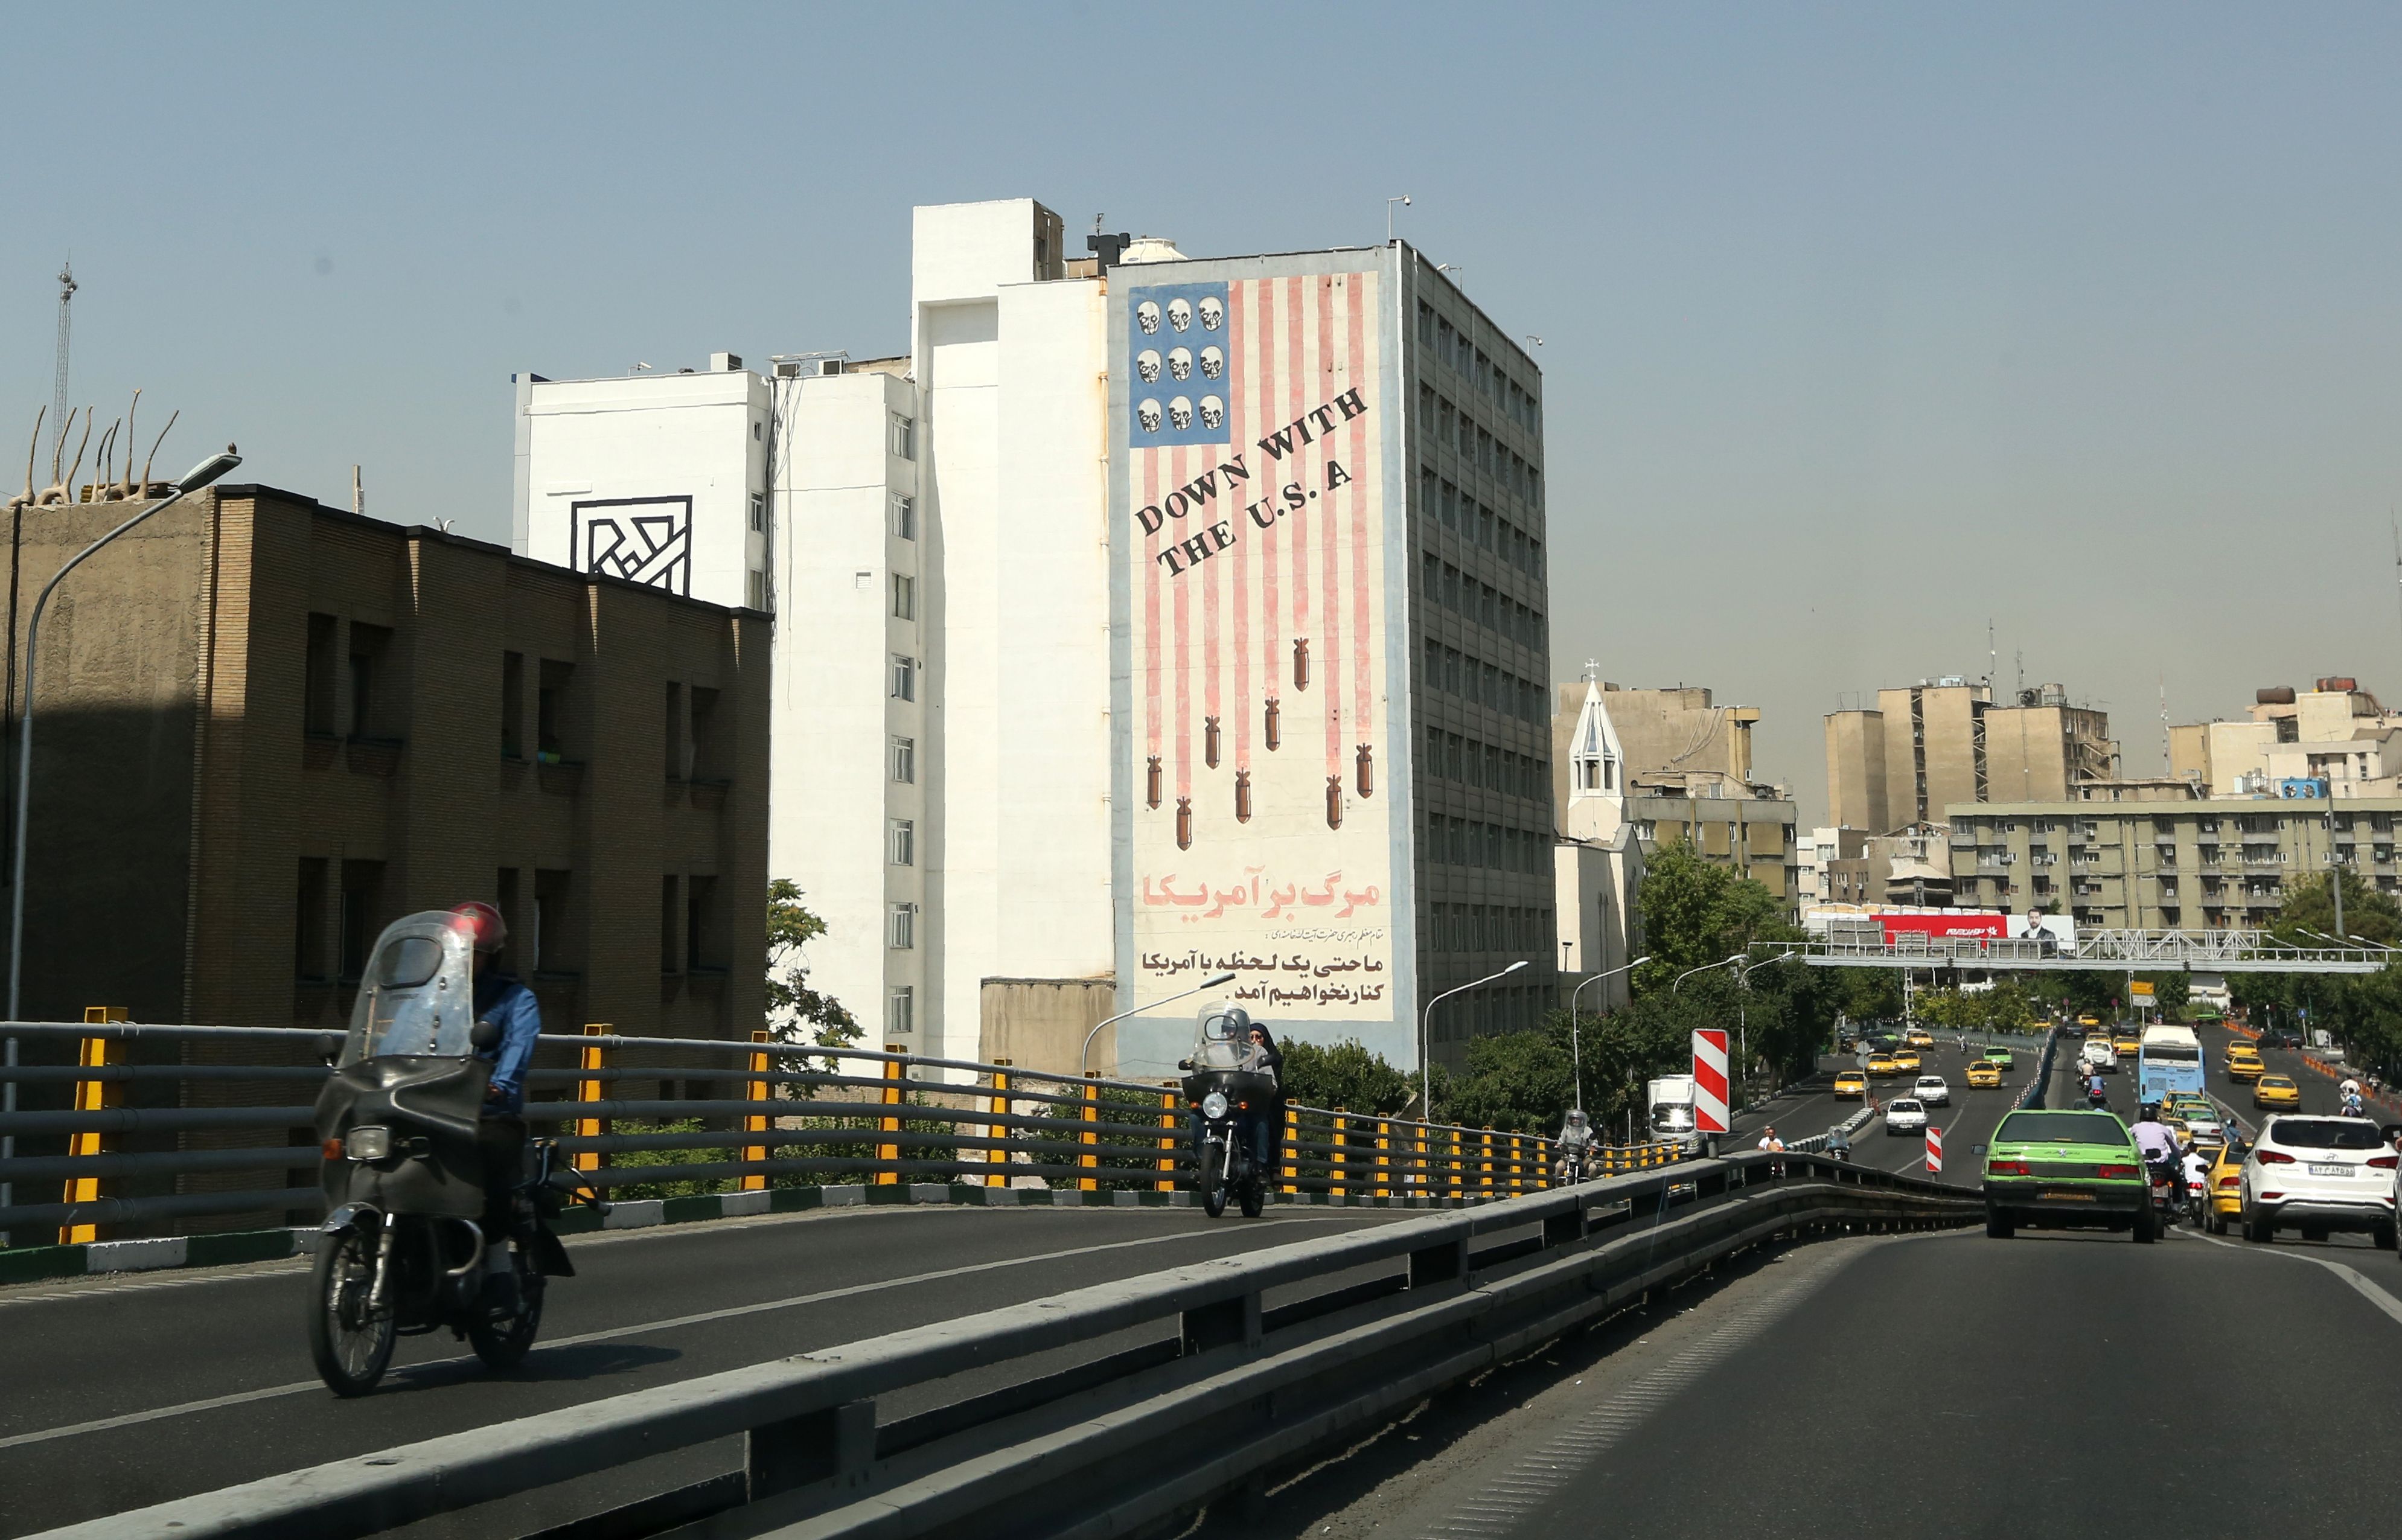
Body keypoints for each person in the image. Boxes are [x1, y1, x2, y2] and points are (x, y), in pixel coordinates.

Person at [453, 901, 541, 1303]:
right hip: (431, 1107)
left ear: (492, 956)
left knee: (488, 1159)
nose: (465, 960)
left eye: (474, 953)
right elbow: (400, 1033)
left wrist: (499, 1086)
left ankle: (499, 1266)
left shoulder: (514, 998)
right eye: (458, 951)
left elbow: (519, 1047)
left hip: (488, 1111)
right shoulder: (432, 996)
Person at [1555, 1108, 1595, 1182]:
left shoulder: (1587, 1130)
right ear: (1570, 1119)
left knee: (1593, 1168)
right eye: (1574, 1119)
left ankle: (1590, 1184)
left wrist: (1593, 1146)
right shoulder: (1566, 1130)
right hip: (1568, 1156)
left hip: (1583, 1157)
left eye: (1577, 1119)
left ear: (1582, 1120)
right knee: (1559, 1166)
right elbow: (1561, 1140)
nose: (1575, 1121)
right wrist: (1559, 1145)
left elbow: (1593, 1140)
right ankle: (1559, 1185)